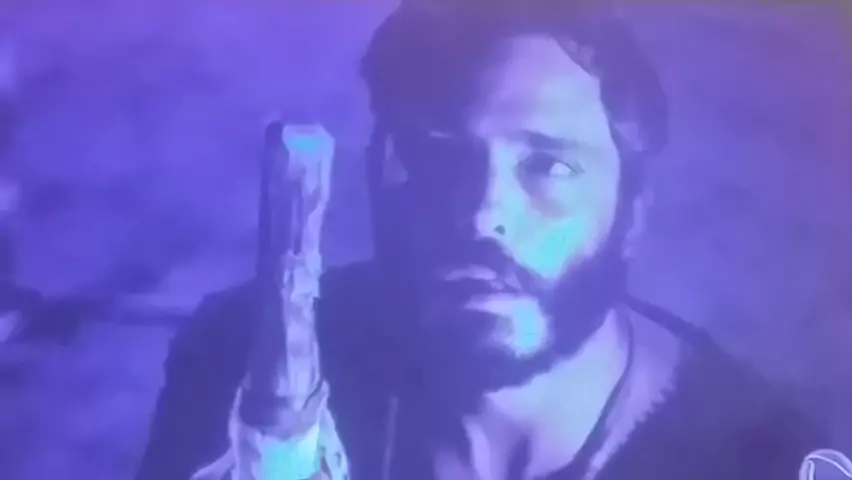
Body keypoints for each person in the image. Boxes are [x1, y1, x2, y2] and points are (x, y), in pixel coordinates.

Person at [136, 2, 830, 479]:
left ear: (633, 209)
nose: (480, 215)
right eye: (438, 156)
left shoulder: (755, 459)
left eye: (548, 165)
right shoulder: (236, 360)